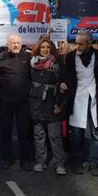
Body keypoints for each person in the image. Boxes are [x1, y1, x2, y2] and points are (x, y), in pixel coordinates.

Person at [61, 31, 98, 175]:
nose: (77, 46)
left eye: (81, 43)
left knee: (95, 132)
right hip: (77, 97)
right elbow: (65, 75)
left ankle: (93, 161)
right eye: (76, 42)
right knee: (77, 133)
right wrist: (63, 83)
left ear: (89, 44)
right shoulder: (71, 57)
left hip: (93, 97)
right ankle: (77, 161)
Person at [29, 39, 67, 175]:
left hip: (53, 103)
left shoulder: (58, 63)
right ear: (38, 48)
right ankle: (40, 161)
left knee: (54, 135)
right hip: (36, 103)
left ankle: (59, 163)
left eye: (48, 47)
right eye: (43, 47)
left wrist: (60, 104)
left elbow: (64, 85)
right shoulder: (32, 63)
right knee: (39, 134)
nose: (45, 49)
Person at [0, 35, 32, 170]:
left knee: (24, 132)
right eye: (13, 43)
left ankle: (25, 159)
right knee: (6, 131)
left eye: (18, 43)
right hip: (6, 102)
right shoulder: (0, 58)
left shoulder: (27, 57)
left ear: (22, 44)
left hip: (24, 102)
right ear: (7, 44)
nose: (16, 45)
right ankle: (7, 158)